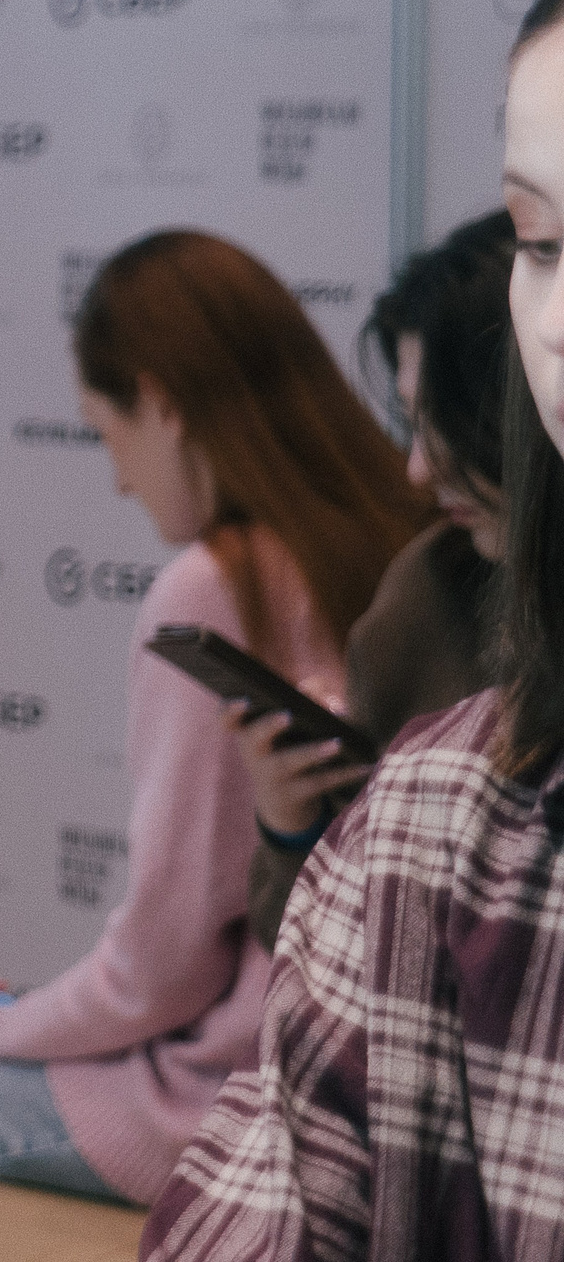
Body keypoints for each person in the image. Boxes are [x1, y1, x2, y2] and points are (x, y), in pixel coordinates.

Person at [141, 0, 564, 1262]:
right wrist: (295, 827)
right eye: (541, 244)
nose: (557, 322)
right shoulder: (436, 816)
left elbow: (150, 965)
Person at [0, 231, 432, 1207]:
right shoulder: (409, 551)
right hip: (380, 1092)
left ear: (162, 404)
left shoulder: (211, 589)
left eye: (107, 433)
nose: (118, 479)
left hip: (227, 1102)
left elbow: (161, 971)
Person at [233, 211, 513, 954]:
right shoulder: (430, 595)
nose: (419, 469)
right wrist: (293, 826)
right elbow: (318, 958)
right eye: (413, 423)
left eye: (445, 422)